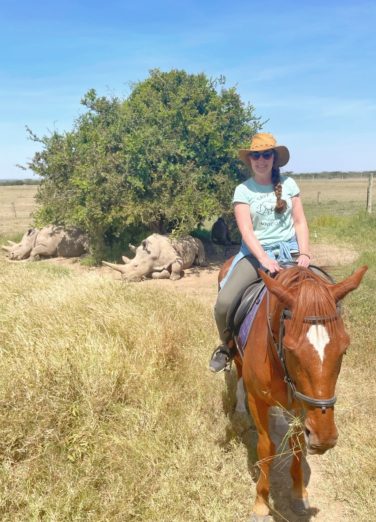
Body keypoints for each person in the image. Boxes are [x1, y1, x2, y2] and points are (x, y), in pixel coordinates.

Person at [209, 132, 310, 373]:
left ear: (274, 158)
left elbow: (299, 222)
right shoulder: (243, 191)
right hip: (256, 256)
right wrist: (264, 258)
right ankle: (228, 348)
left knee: (322, 298)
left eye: (266, 154)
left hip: (290, 253)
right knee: (223, 304)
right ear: (250, 160)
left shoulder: (289, 185)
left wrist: (304, 253)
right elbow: (246, 231)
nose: (261, 159)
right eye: (256, 155)